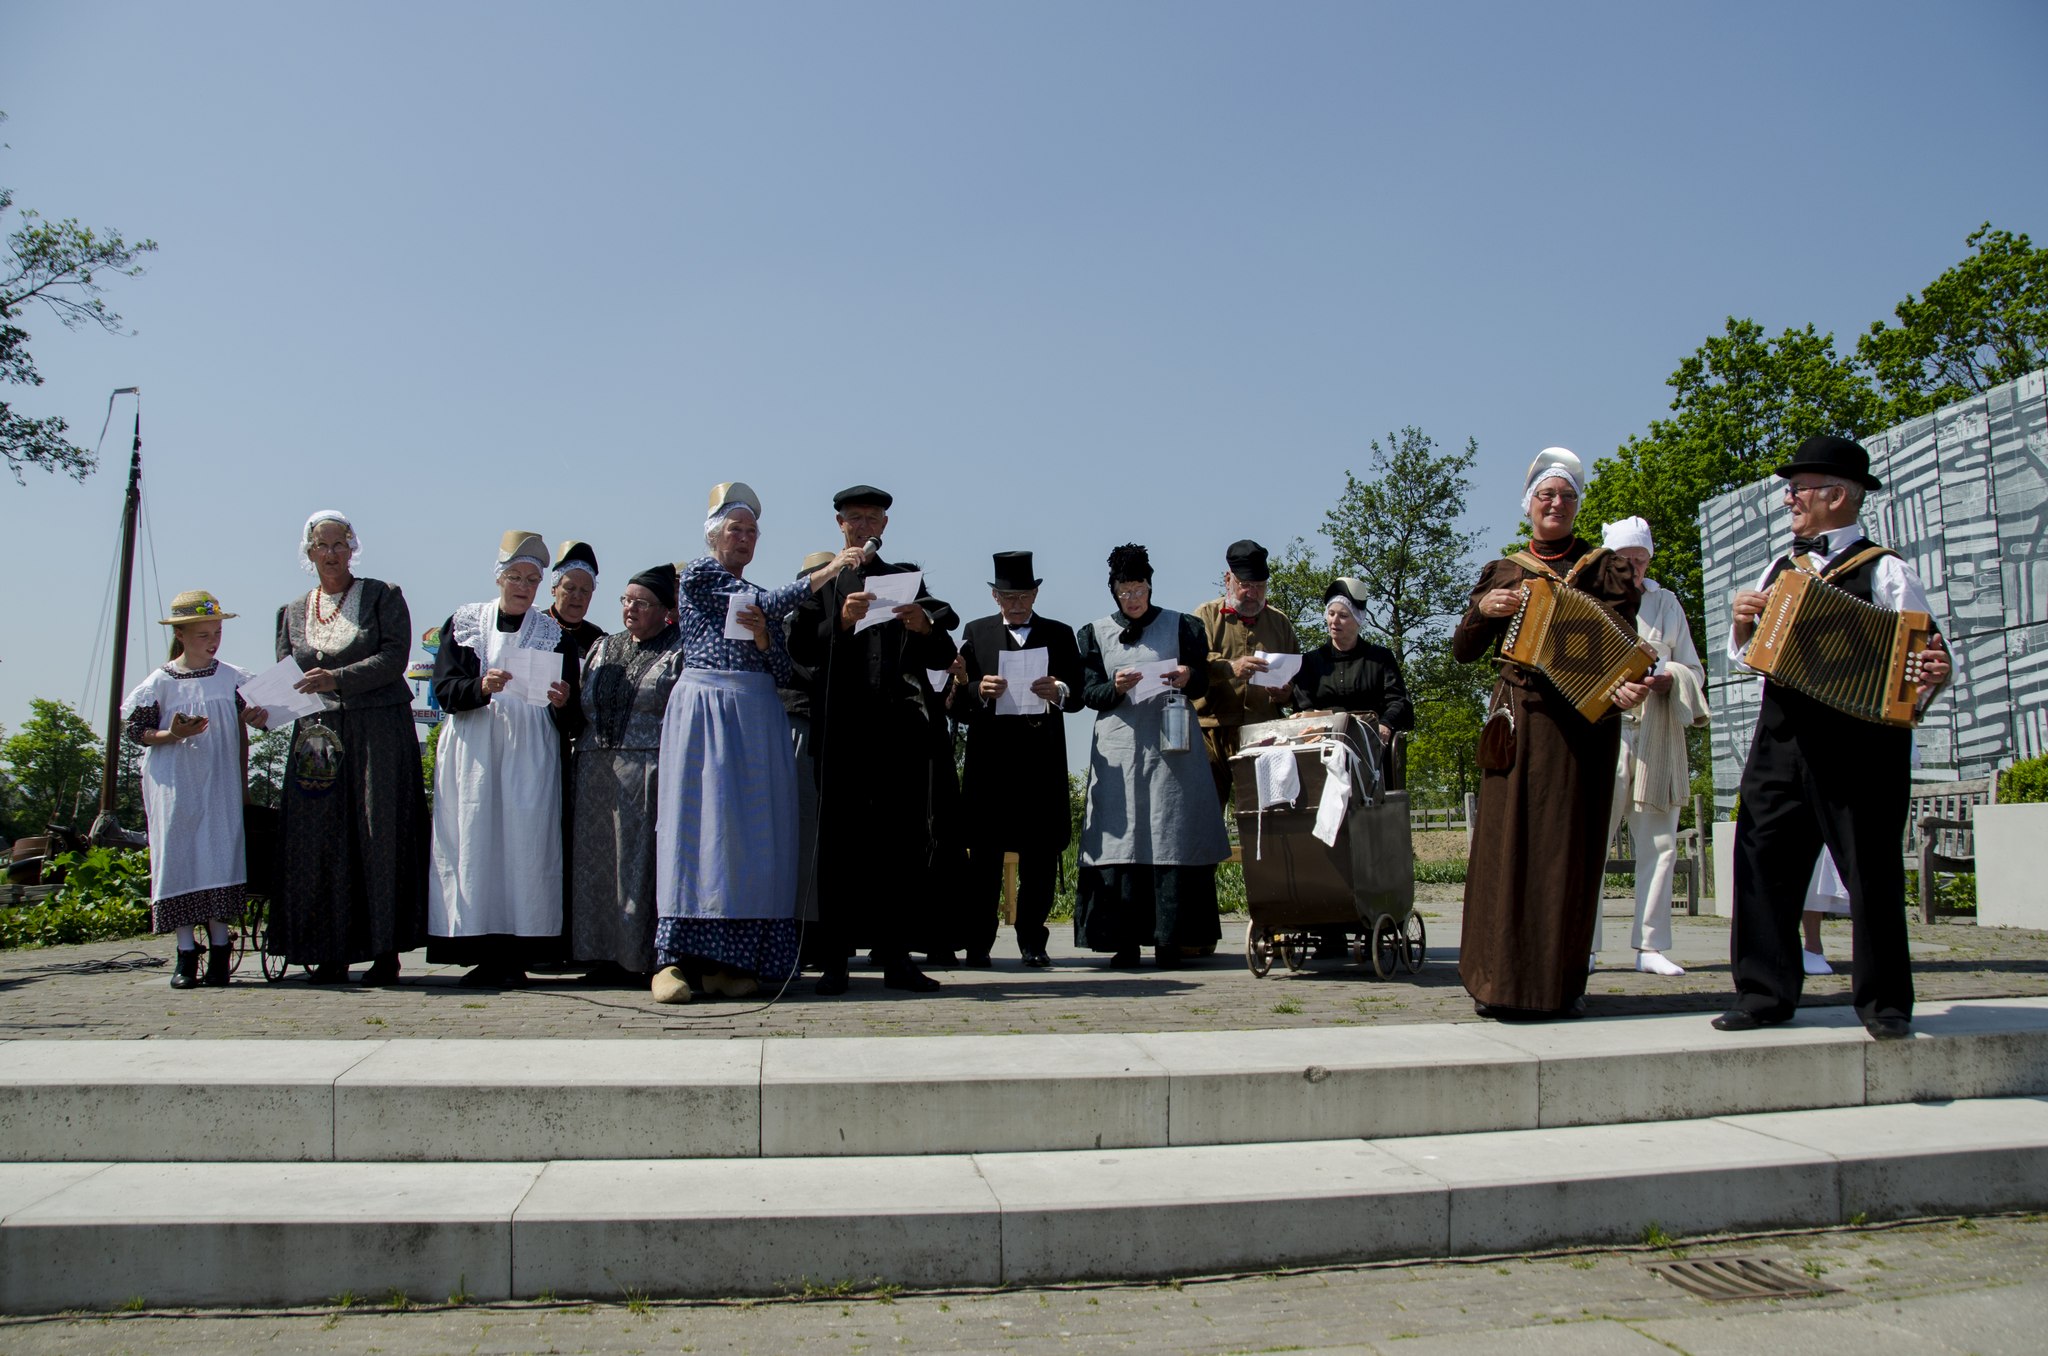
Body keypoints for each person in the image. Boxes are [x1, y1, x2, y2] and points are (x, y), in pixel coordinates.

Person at [1716, 435, 1951, 1041]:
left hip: (1860, 745)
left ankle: (1885, 1004)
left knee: (1870, 870)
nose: (1789, 498)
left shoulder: (1887, 569)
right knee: (1762, 857)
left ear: (1838, 495)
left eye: (1799, 487)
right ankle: (1762, 994)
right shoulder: (1780, 567)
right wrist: (1743, 624)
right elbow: (1749, 657)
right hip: (1783, 734)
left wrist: (1933, 674)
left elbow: (1923, 656)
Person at [651, 483, 866, 1003]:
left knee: (747, 839)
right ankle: (678, 960)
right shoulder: (700, 575)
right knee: (697, 829)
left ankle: (733, 959)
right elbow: (767, 603)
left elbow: (777, 669)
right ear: (714, 535)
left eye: (752, 531)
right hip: (706, 711)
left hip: (754, 717)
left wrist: (768, 639)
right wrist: (833, 569)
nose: (745, 538)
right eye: (735, 529)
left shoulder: (757, 602)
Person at [1453, 448, 1648, 1019]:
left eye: (1565, 495)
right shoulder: (1505, 570)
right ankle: (1496, 983)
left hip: (1580, 729)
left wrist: (1628, 686)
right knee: (1504, 853)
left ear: (1576, 504)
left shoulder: (1604, 568)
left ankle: (1557, 987)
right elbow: (1464, 652)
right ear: (1529, 505)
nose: (1555, 503)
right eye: (1546, 494)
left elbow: (1624, 647)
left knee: (1567, 852)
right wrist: (1484, 610)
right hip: (1517, 726)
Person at [787, 484, 959, 995]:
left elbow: (940, 655)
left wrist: (924, 627)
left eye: (872, 519)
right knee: (839, 846)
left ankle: (898, 958)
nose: (864, 527)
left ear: (884, 525)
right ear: (840, 524)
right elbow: (798, 653)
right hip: (842, 730)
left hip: (897, 735)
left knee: (900, 846)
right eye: (854, 519)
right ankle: (836, 960)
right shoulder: (817, 582)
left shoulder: (906, 579)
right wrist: (840, 623)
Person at [272, 510, 429, 985]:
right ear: (310, 552)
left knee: (377, 833)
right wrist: (265, 709)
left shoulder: (382, 596)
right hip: (317, 736)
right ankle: (328, 948)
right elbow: (285, 675)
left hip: (377, 728)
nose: (333, 553)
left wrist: (338, 677)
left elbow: (392, 657)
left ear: (352, 547)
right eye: (323, 546)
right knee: (321, 838)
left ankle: (385, 950)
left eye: (341, 544)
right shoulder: (292, 612)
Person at [427, 530, 584, 987]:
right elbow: (443, 689)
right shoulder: (464, 622)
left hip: (529, 753)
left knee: (525, 846)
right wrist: (479, 687)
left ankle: (521, 950)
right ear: (499, 578)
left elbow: (573, 714)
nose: (522, 586)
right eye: (515, 576)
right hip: (474, 748)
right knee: (474, 843)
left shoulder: (555, 636)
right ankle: (478, 946)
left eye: (532, 579)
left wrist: (561, 702)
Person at [1074, 543, 1229, 968]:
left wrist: (1187, 675)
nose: (1133, 598)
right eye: (1124, 591)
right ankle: (1123, 943)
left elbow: (1201, 685)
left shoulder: (1185, 627)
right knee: (1122, 838)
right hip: (1120, 748)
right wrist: (1116, 687)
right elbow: (1088, 694)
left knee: (1170, 833)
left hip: (1172, 750)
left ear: (1150, 585)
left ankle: (1171, 941)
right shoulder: (1093, 633)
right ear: (1113, 591)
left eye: (1139, 588)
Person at [120, 591, 266, 989]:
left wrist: (258, 714)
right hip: (174, 781)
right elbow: (137, 732)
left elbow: (262, 715)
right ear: (181, 635)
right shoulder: (161, 682)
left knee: (219, 852)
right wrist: (173, 732)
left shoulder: (232, 678)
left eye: (217, 632)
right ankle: (186, 951)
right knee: (179, 854)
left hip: (218, 780)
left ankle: (220, 946)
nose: (213, 641)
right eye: (203, 634)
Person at [950, 551, 1086, 968]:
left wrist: (1058, 690)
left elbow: (1080, 695)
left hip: (1040, 762)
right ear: (995, 597)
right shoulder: (976, 633)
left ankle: (1033, 940)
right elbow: (956, 706)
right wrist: (977, 690)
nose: (1016, 605)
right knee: (985, 860)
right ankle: (978, 944)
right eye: (1008, 597)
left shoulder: (1060, 634)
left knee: (1041, 857)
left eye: (1024, 596)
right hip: (991, 764)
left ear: (1036, 594)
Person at [1596, 517, 1710, 978]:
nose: (1635, 569)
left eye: (1642, 561)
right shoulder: (1594, 602)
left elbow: (1694, 671)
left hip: (1657, 734)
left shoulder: (1665, 603)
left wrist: (1671, 678)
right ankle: (1584, 945)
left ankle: (1650, 945)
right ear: (1611, 559)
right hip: (1605, 731)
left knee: (1660, 842)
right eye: (1626, 561)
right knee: (1591, 842)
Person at [1289, 577, 1416, 959]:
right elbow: (1301, 703)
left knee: (1362, 836)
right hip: (1324, 754)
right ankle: (1327, 924)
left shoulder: (1379, 659)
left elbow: (1400, 702)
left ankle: (1370, 911)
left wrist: (1383, 725)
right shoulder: (1311, 662)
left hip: (1368, 756)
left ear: (1358, 620)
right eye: (1330, 614)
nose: (1334, 621)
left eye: (1342, 615)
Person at [570, 564, 684, 979]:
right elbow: (579, 708)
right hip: (594, 770)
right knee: (593, 865)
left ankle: (637, 958)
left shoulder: (679, 649)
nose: (631, 609)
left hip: (648, 770)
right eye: (626, 600)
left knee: (637, 865)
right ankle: (597, 955)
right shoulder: (602, 647)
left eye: (642, 602)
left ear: (665, 611)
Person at [1193, 539, 1299, 812]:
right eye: (1245, 585)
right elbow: (1192, 666)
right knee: (1204, 816)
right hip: (1210, 732)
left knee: (1264, 816)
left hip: (1263, 733)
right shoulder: (1204, 616)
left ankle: (1263, 856)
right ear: (1228, 579)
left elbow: (1298, 679)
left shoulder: (1280, 623)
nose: (1252, 593)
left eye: (1260, 586)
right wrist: (1230, 668)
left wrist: (1287, 693)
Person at [548, 540, 606, 657]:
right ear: (554, 589)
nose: (577, 596)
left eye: (585, 590)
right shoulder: (534, 626)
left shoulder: (597, 638)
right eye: (570, 588)